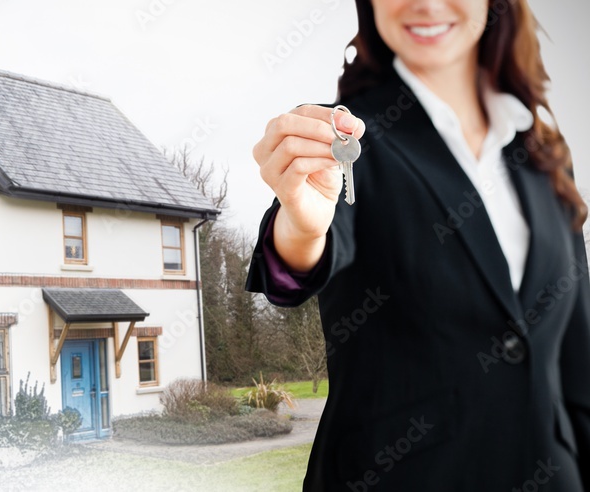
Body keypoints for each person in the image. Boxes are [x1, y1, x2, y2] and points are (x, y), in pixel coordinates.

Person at [245, 0, 589, 490]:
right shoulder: (344, 136)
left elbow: (577, 361)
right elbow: (304, 255)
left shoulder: (544, 158)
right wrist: (301, 226)